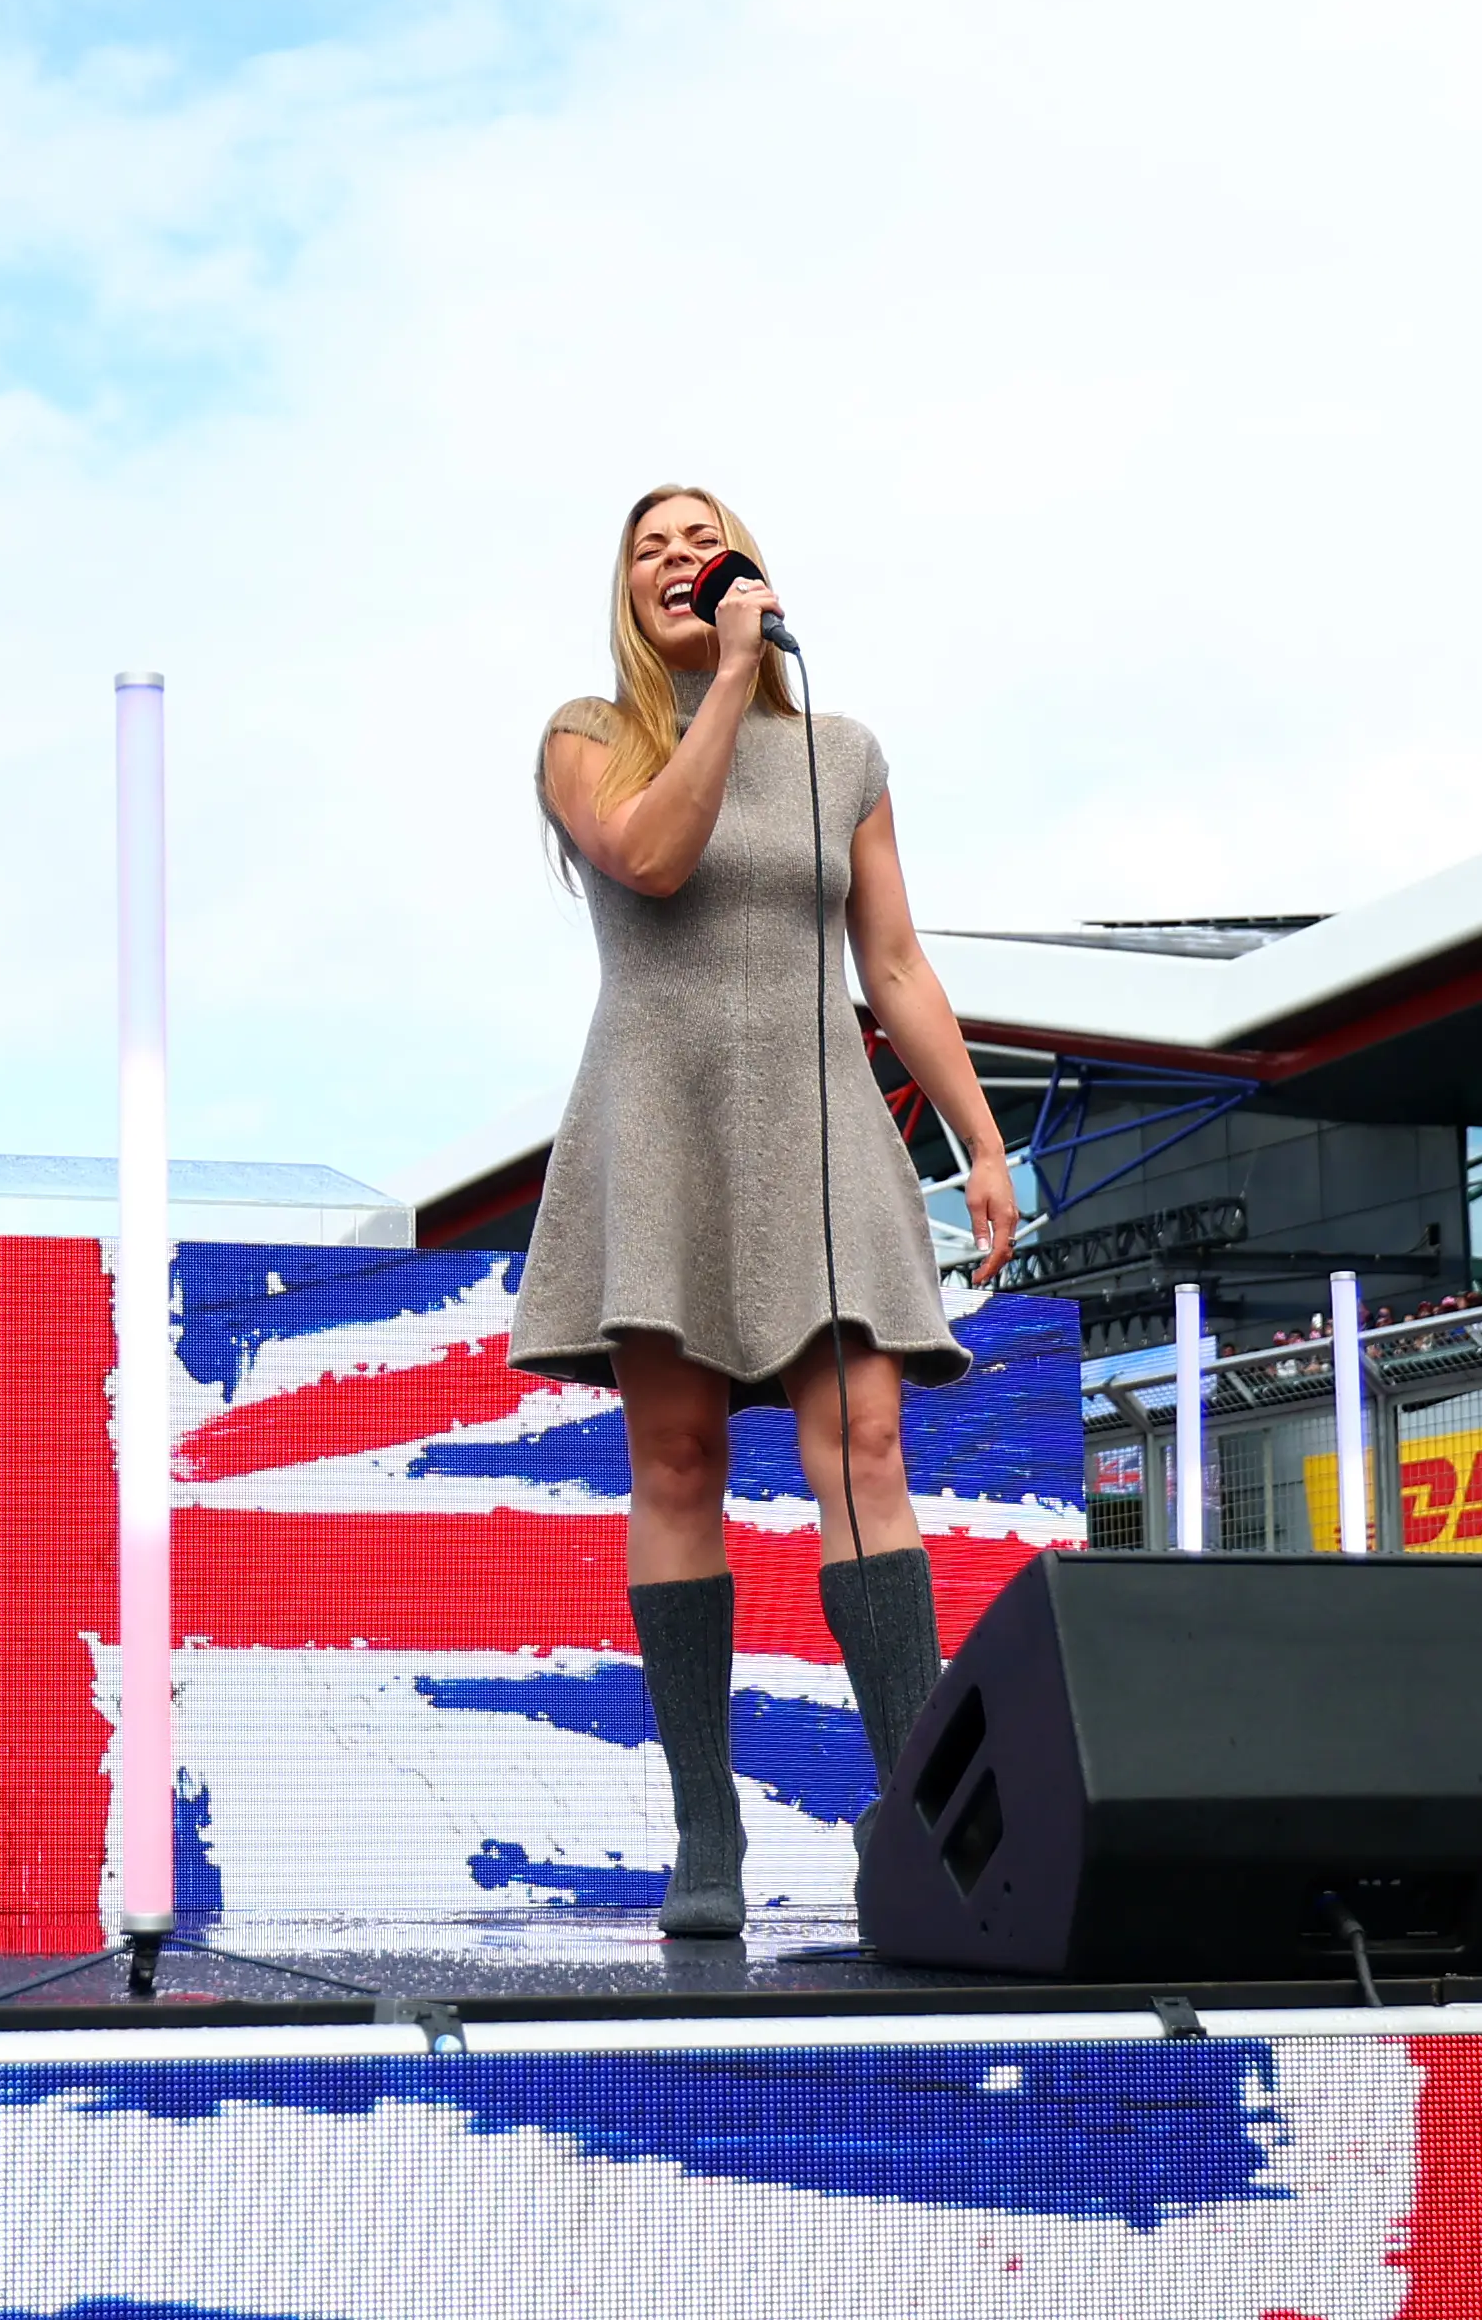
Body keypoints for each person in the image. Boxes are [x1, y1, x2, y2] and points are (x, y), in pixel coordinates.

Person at [519, 483, 1022, 1939]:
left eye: (703, 538)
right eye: (650, 547)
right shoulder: (585, 735)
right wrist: (729, 679)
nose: (680, 559)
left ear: (747, 563)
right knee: (677, 1461)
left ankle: (918, 1813)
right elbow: (651, 855)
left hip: (817, 1124)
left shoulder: (840, 754)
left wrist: (979, 1139)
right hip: (660, 1122)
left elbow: (895, 962)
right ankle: (705, 1819)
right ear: (627, 591)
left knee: (863, 1443)